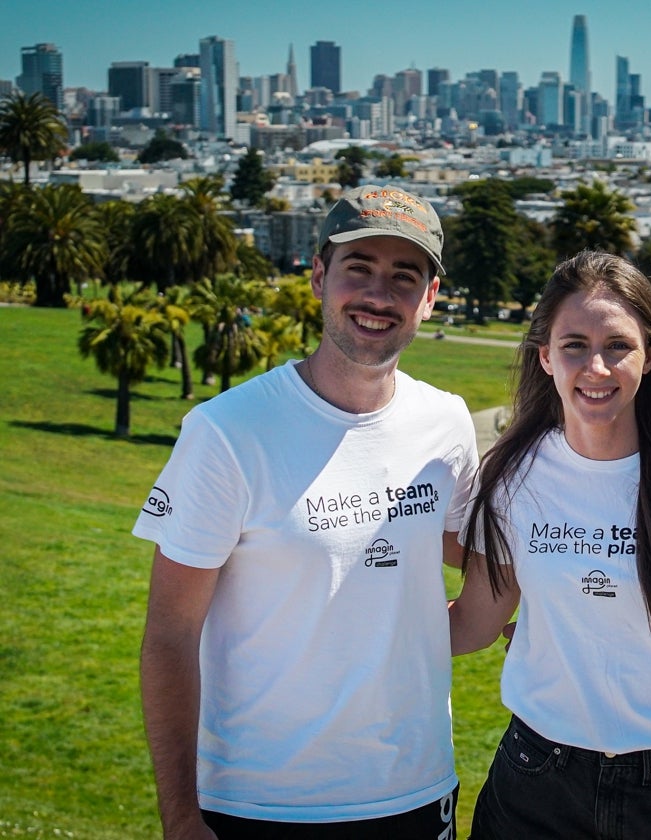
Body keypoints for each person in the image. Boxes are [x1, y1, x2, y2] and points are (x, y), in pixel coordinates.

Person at [134, 185, 477, 839]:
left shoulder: (446, 422)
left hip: (415, 790)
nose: (378, 296)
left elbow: (485, 551)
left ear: (429, 299)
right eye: (358, 270)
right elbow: (170, 634)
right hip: (257, 804)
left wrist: (560, 620)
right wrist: (180, 818)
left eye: (404, 278)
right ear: (319, 276)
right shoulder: (227, 431)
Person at [448, 251, 651, 839]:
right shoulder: (514, 474)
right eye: (574, 345)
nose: (595, 366)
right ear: (545, 357)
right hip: (536, 779)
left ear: (650, 356)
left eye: (618, 346)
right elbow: (474, 622)